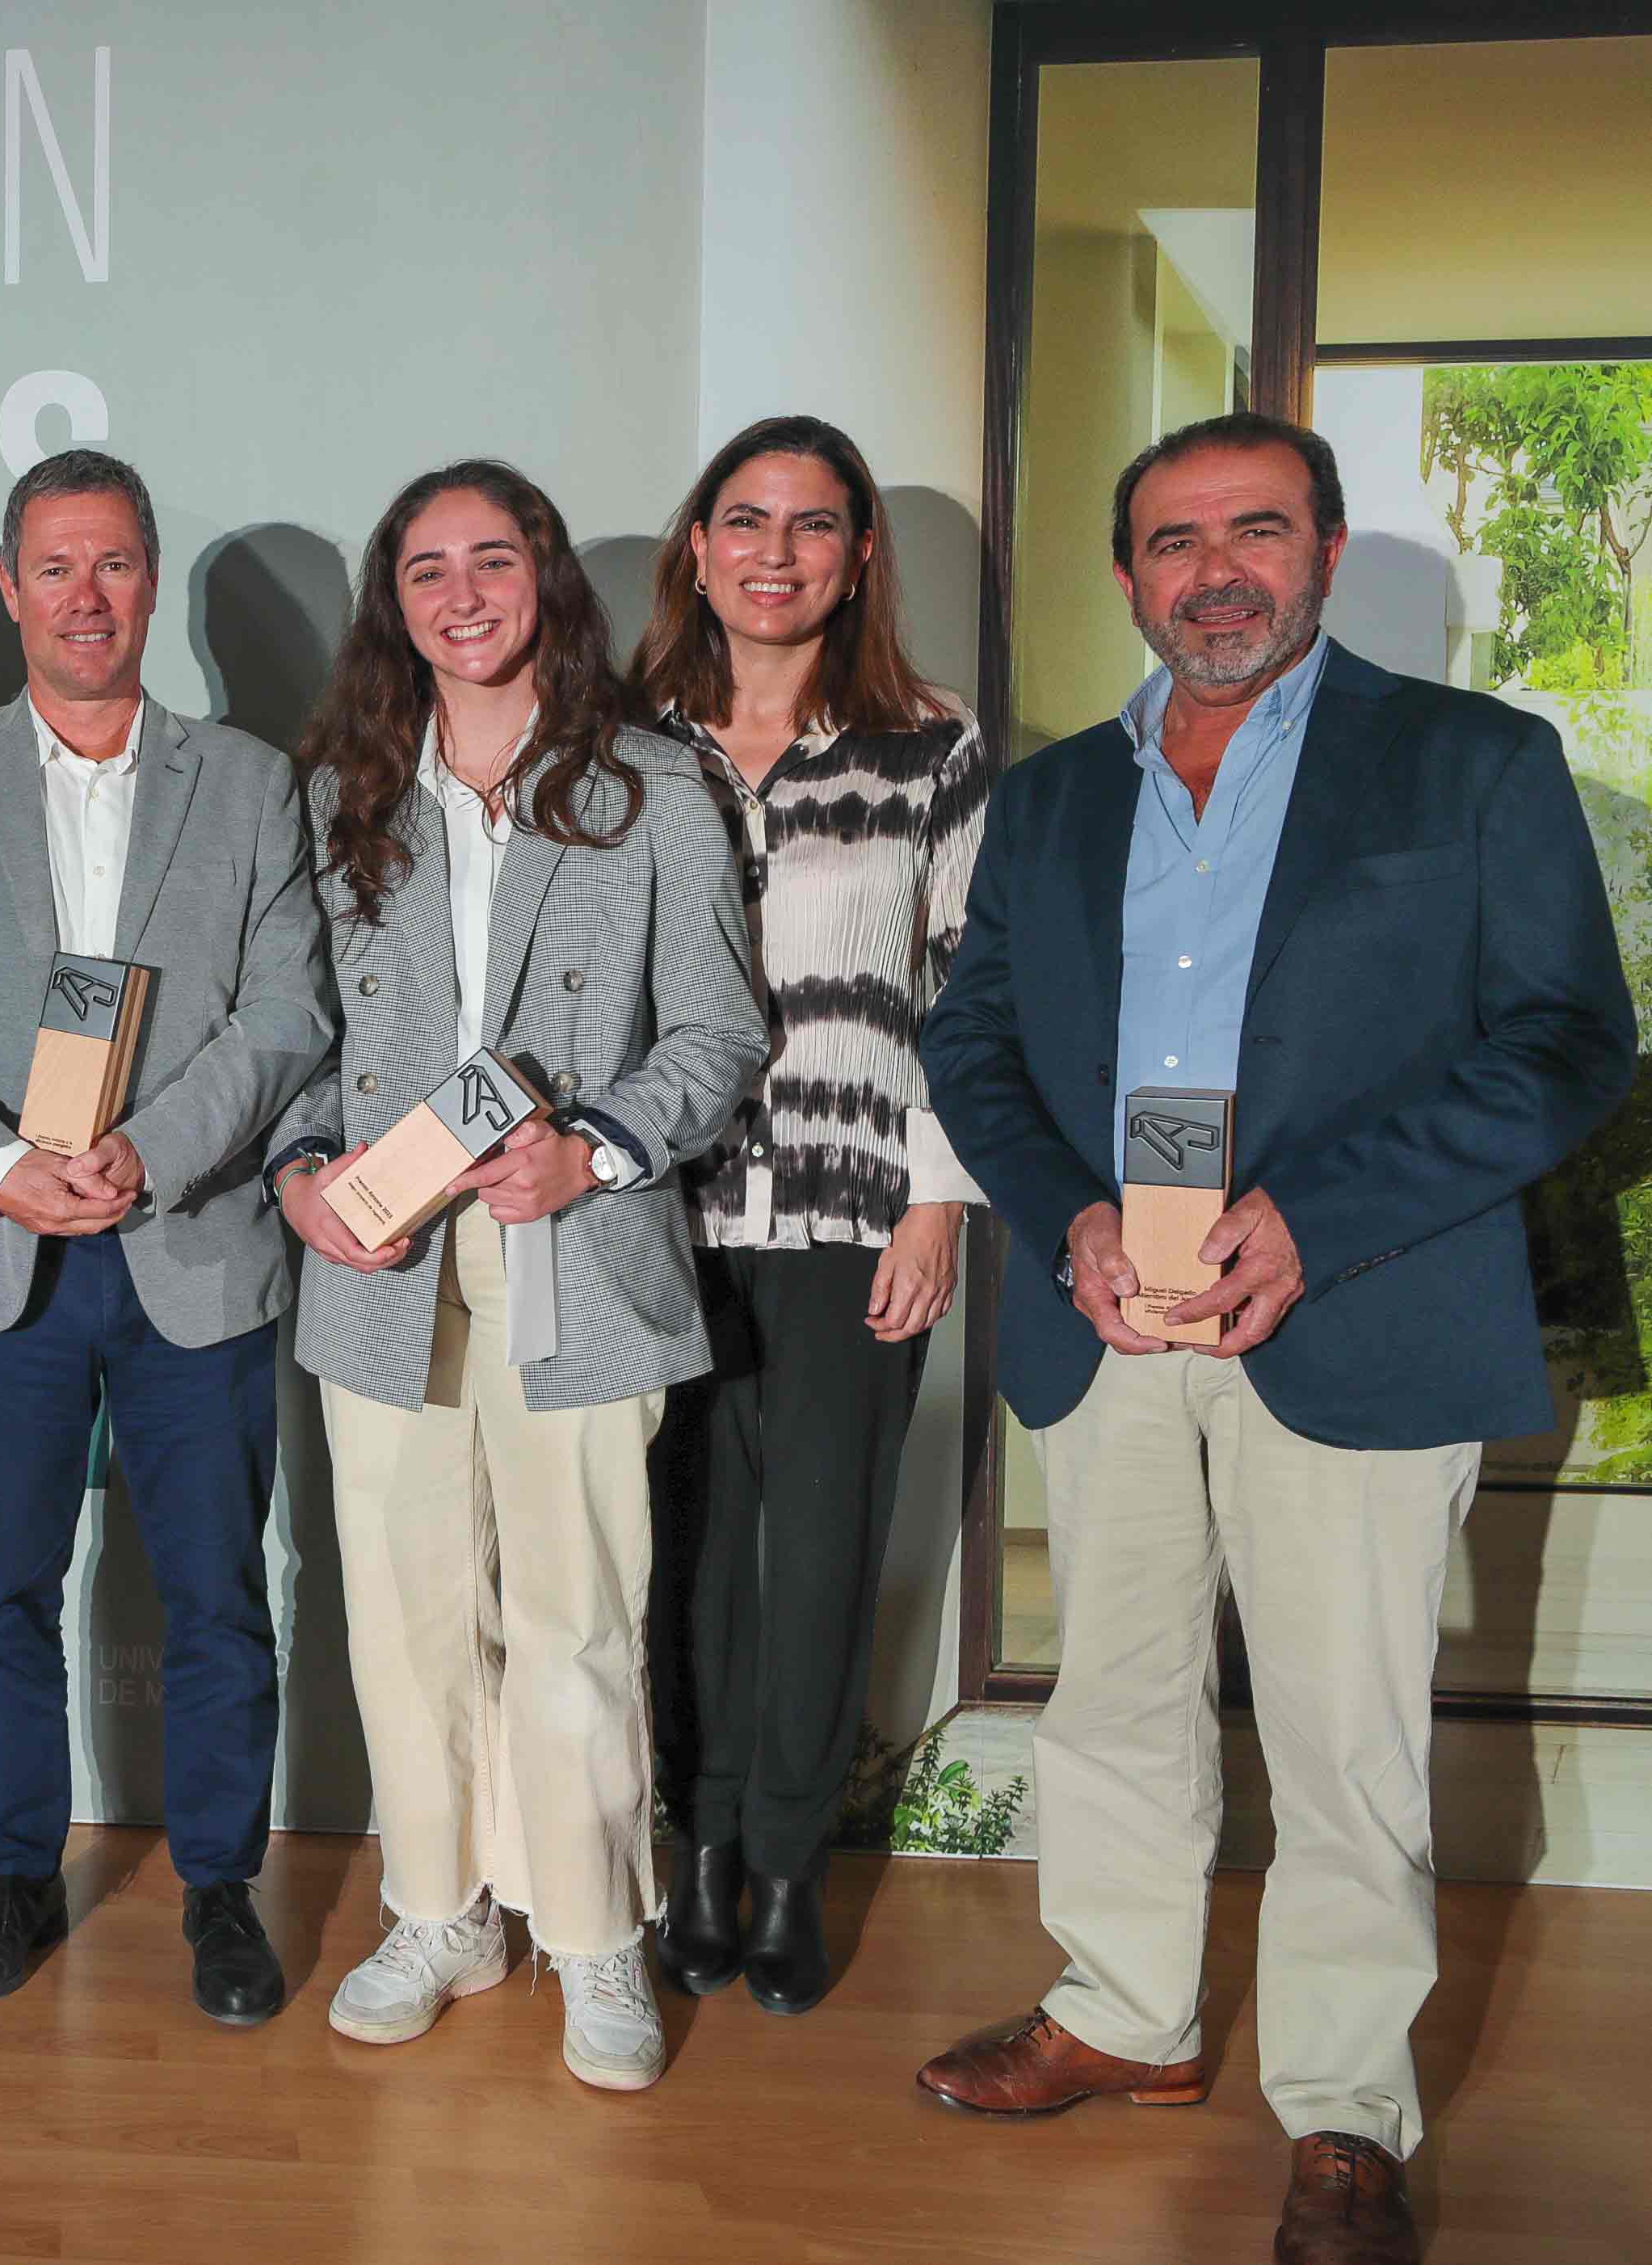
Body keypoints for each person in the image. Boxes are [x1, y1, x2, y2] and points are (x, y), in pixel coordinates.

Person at [916, 411, 1631, 2265]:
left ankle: (1340, 2109)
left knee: (1343, 1741)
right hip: (1114, 1317)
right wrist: (1063, 1210)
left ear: (1320, 549)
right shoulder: (1055, 794)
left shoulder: (1471, 763)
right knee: (1119, 1696)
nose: (1213, 569)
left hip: (1356, 1311)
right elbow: (972, 1040)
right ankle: (1124, 2013)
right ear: (1127, 572)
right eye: (1172, 539)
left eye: (1254, 531)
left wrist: (1315, 1218)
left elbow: (1567, 1041)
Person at [269, 460, 760, 2090]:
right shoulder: (339, 787)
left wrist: (597, 1145)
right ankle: (440, 1910)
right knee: (408, 1619)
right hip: (382, 1260)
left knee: (577, 1618)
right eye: (426, 571)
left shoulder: (649, 786)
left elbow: (716, 1033)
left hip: (576, 1246)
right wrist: (295, 1171)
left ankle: (597, 1937)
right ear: (391, 605)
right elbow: (293, 1033)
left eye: (493, 562)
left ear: (546, 582)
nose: (461, 595)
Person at [0, 447, 334, 2027]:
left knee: (214, 1595)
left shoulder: (252, 780)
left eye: (114, 562)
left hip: (189, 1242)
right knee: (1, 1590)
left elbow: (286, 1018)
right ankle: (14, 1872)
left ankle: (216, 1889)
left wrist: (154, 1146)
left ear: (150, 577)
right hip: (5, 1261)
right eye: (54, 566)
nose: (85, 595)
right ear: (9, 589)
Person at [625, 415, 993, 2014]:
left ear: (855, 560)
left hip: (857, 1202)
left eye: (813, 525)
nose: (775, 553)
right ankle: (693, 1854)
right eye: (745, 519)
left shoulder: (929, 740)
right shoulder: (622, 741)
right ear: (697, 545)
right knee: (683, 1549)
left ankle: (785, 1870)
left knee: (823, 1547)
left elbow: (978, 996)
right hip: (655, 1208)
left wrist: (942, 1201)